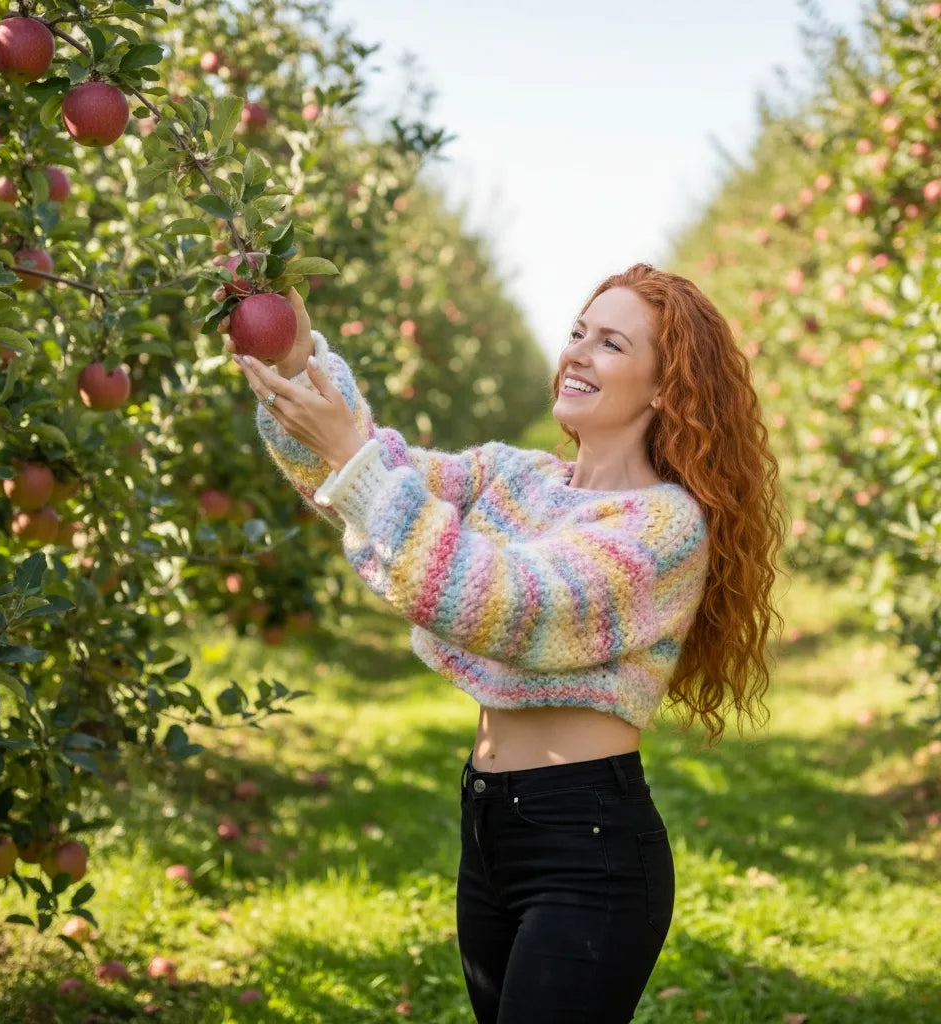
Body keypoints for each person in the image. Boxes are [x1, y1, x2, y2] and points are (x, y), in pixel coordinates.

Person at [223, 263, 787, 1023]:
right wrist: (297, 364)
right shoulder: (515, 475)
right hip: (488, 828)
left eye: (611, 343)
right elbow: (376, 479)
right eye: (578, 333)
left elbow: (511, 605)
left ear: (664, 386)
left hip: (586, 849)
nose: (578, 353)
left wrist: (351, 454)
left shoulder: (662, 526)